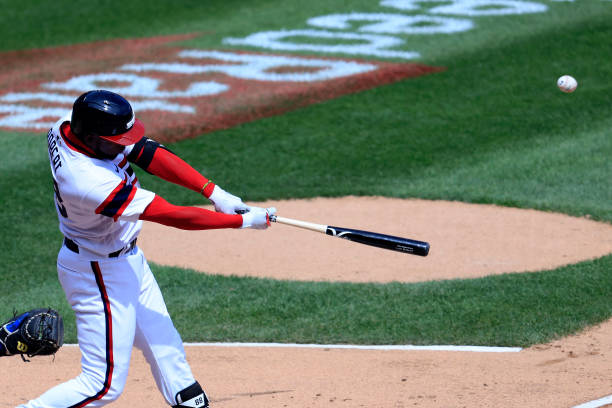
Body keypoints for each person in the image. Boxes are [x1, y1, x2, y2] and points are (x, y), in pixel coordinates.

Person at [23, 89, 274, 407]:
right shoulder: (86, 180)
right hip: (98, 272)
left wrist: (214, 192)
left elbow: (146, 152)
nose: (125, 144)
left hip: (125, 259)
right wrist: (243, 222)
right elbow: (171, 215)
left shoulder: (68, 127)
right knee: (101, 385)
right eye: (117, 139)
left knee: (166, 347)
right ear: (91, 137)